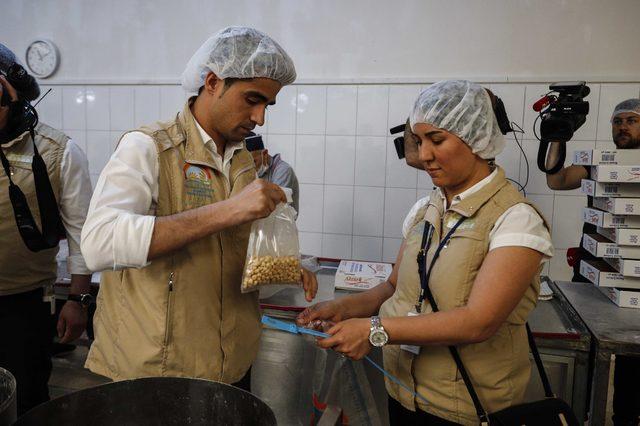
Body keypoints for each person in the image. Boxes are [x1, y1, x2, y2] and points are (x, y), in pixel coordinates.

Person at [297, 80, 553, 425]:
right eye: (419, 141)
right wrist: (341, 308)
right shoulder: (426, 210)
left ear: (476, 139)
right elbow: (392, 288)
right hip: (404, 394)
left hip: (465, 410)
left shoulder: (516, 219)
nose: (424, 155)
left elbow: (479, 322)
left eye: (437, 140)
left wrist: (374, 329)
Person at [80, 27, 317, 392]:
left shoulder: (241, 161)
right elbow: (99, 243)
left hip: (230, 364)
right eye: (252, 99)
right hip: (158, 372)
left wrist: (278, 262)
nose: (260, 117)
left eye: (267, 105)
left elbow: (230, 253)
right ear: (212, 82)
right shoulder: (148, 148)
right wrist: (228, 210)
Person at [0, 51, 93, 415]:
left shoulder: (59, 152)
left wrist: (78, 300)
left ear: (15, 96)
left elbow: (81, 233)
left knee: (25, 400)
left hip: (23, 304)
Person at [545, 98, 640, 426]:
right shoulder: (599, 163)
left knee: (631, 358)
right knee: (583, 349)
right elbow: (556, 180)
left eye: (631, 121)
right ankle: (581, 415)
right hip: (592, 268)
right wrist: (557, 136)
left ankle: (624, 419)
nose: (623, 127)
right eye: (618, 121)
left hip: (634, 278)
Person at [245, 132, 299, 213]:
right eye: (246, 164)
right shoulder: (248, 172)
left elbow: (274, 205)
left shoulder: (283, 170)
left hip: (281, 224)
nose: (251, 168)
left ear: (265, 154)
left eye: (254, 162)